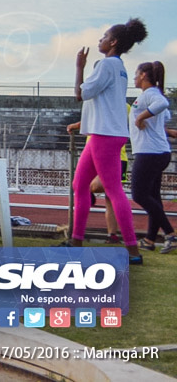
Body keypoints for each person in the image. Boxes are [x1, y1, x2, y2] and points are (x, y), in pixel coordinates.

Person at [64, 18, 147, 264]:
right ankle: (76, 241)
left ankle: (132, 251)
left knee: (113, 190)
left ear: (113, 42)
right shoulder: (119, 67)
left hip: (104, 134)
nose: (99, 40)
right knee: (80, 185)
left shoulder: (105, 65)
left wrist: (79, 66)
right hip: (101, 133)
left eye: (103, 37)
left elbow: (81, 94)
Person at [128, 61, 177, 253]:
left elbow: (163, 104)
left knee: (139, 195)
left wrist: (140, 117)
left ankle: (170, 234)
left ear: (143, 76)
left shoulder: (152, 94)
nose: (134, 77)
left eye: (136, 73)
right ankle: (149, 239)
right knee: (153, 197)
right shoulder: (148, 96)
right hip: (156, 152)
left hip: (150, 153)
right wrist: (167, 131)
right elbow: (161, 119)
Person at [67, 119, 128, 244]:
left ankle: (118, 236)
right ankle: (112, 235)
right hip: (93, 152)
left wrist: (73, 125)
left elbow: (90, 120)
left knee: (105, 191)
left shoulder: (121, 106)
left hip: (113, 154)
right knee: (110, 196)